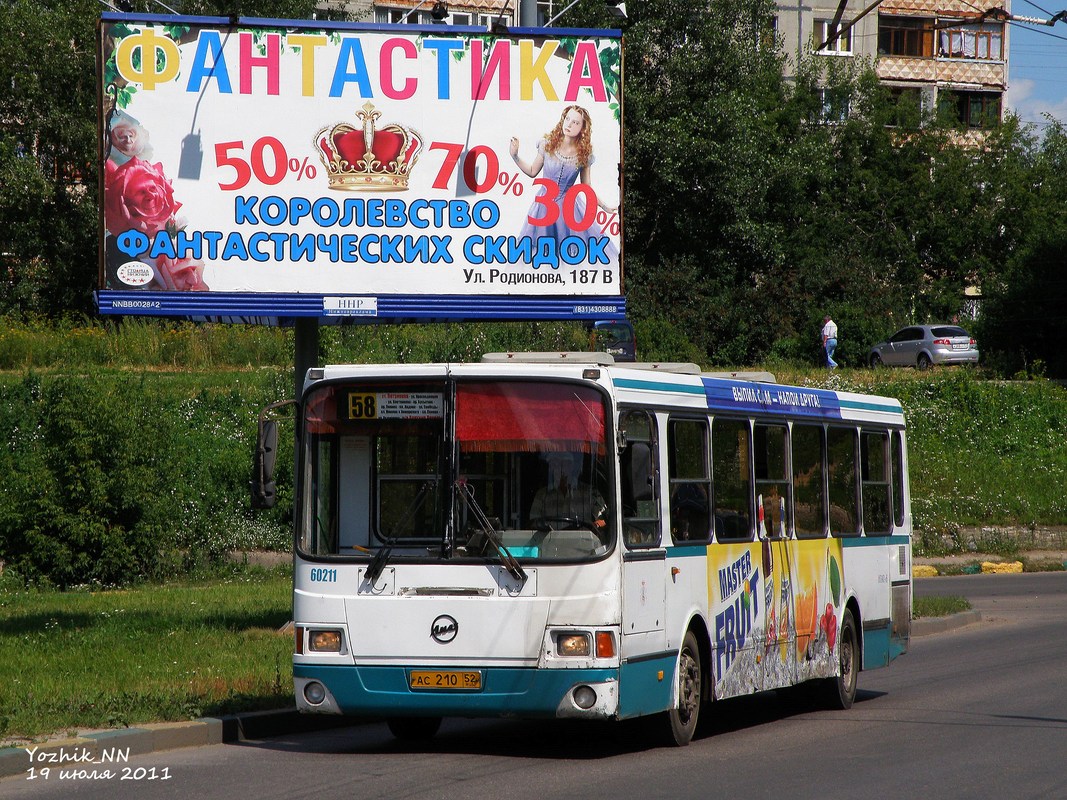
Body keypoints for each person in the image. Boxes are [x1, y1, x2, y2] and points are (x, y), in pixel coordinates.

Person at [509, 105, 619, 267]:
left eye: (575, 122)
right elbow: (533, 171)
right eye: (567, 119)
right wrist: (515, 156)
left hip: (569, 210)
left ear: (582, 128)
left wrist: (604, 207)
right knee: (540, 252)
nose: (569, 124)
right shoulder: (547, 145)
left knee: (570, 254)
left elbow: (586, 187)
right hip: (543, 207)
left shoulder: (584, 155)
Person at [529, 452, 606, 525]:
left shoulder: (590, 492)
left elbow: (604, 519)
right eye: (554, 465)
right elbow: (534, 522)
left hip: (582, 539)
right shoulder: (542, 495)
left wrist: (596, 526)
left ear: (571, 467)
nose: (559, 469)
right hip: (550, 539)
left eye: (563, 464)